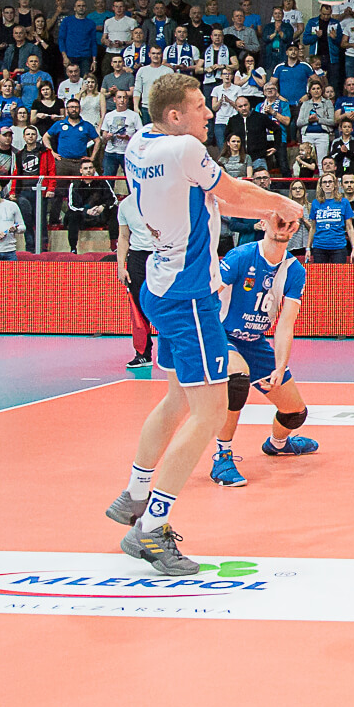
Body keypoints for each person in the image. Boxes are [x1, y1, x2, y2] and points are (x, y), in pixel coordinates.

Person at [104, 73, 303, 574]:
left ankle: (134, 493)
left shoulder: (140, 144)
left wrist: (264, 213)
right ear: (175, 116)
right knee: (211, 412)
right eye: (199, 106)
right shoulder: (184, 149)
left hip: (158, 284)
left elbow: (218, 199)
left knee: (177, 398)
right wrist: (282, 204)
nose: (209, 114)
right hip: (191, 297)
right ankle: (151, 529)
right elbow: (230, 188)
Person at [207, 217, 317, 488]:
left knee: (295, 413)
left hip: (254, 342)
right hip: (222, 334)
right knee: (237, 379)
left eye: (289, 223)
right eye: (277, 220)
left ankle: (278, 444)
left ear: (295, 228)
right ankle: (222, 456)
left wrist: (280, 366)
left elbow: (285, 324)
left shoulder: (294, 270)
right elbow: (207, 297)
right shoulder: (240, 257)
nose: (283, 226)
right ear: (263, 223)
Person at [116, 191, 156, 368]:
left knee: (170, 303)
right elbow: (124, 237)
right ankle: (143, 354)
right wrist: (121, 266)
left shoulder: (163, 198)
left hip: (162, 254)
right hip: (137, 258)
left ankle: (176, 352)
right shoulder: (125, 205)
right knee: (138, 306)